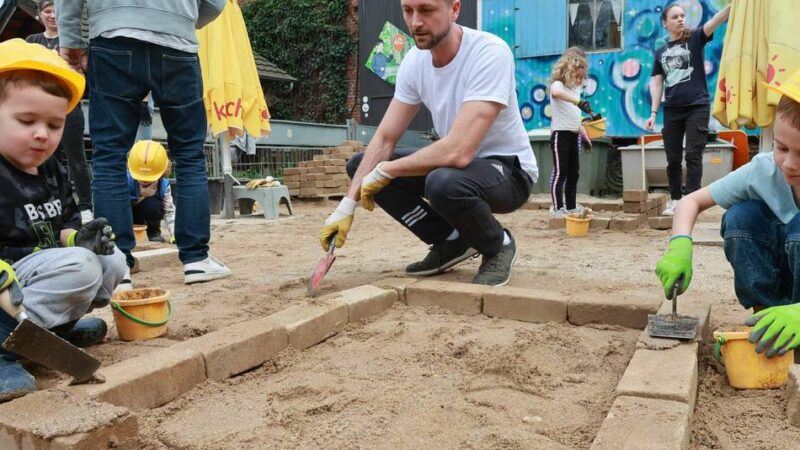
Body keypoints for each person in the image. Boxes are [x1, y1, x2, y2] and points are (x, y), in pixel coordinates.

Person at [320, 0, 538, 286]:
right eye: (408, 11)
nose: (415, 22)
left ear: (455, 10)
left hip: (509, 172)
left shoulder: (489, 53)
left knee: (442, 182)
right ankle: (450, 240)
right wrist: (347, 205)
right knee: (361, 164)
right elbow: (385, 138)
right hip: (455, 165)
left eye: (426, 10)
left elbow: (459, 151)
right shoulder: (414, 61)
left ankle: (498, 245)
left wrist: (387, 171)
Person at [56, 0, 231, 285]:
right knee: (189, 154)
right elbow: (214, 3)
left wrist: (72, 41)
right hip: (177, 42)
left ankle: (118, 265)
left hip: (113, 37)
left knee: (109, 156)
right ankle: (196, 259)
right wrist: (180, 21)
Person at [0, 39, 127, 401]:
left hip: (29, 276)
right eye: (27, 121)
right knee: (81, 268)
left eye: (55, 125)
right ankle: (7, 347)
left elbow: (61, 228)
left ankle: (52, 329)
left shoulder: (52, 170)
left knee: (111, 260)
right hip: (4, 286)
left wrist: (79, 239)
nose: (43, 133)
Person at [655, 68, 800, 359]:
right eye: (782, 148)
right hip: (782, 285)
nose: (789, 164)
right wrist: (680, 246)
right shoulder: (763, 170)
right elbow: (690, 202)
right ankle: (766, 324)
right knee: (741, 219)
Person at [646, 3, 731, 216]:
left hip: (697, 107)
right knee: (673, 158)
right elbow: (657, 84)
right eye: (675, 17)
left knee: (693, 155)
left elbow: (716, 21)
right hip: (672, 110)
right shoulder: (660, 52)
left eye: (682, 16)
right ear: (665, 23)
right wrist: (653, 113)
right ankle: (675, 200)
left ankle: (691, 202)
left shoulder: (694, 38)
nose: (681, 19)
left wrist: (734, 5)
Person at [26, 0, 94, 224]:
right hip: (40, 110)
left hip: (69, 106)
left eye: (56, 11)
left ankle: (85, 207)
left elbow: (82, 75)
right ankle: (49, 204)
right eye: (47, 11)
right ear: (39, 15)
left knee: (76, 159)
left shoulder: (74, 42)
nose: (53, 16)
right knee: (45, 159)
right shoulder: (33, 42)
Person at [548, 47, 593, 218]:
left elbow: (575, 116)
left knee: (574, 173)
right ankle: (557, 208)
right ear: (569, 71)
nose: (579, 79)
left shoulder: (575, 90)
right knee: (561, 173)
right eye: (577, 75)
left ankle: (572, 206)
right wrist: (578, 102)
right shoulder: (558, 85)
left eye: (582, 77)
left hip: (574, 135)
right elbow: (556, 93)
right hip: (561, 135)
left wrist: (584, 135)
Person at [127, 140, 175, 244]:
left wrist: (174, 233)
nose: (145, 180)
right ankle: (126, 232)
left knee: (153, 205)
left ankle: (153, 232)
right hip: (128, 214)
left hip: (147, 212)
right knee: (123, 203)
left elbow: (169, 211)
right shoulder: (126, 180)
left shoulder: (163, 185)